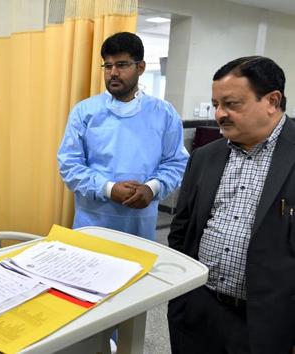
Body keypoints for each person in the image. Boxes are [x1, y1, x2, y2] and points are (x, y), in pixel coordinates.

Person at [167, 56, 295, 354]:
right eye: (215, 104)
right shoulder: (204, 158)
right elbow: (181, 231)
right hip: (199, 309)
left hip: (268, 324)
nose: (219, 114)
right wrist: (181, 299)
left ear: (272, 101)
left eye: (232, 104)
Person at [57, 32, 188, 240]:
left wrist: (152, 188)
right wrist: (108, 189)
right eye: (108, 66)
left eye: (122, 65)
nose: (113, 73)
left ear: (141, 67)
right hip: (93, 223)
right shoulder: (85, 112)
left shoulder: (164, 113)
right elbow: (69, 165)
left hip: (140, 223)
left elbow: (176, 163)